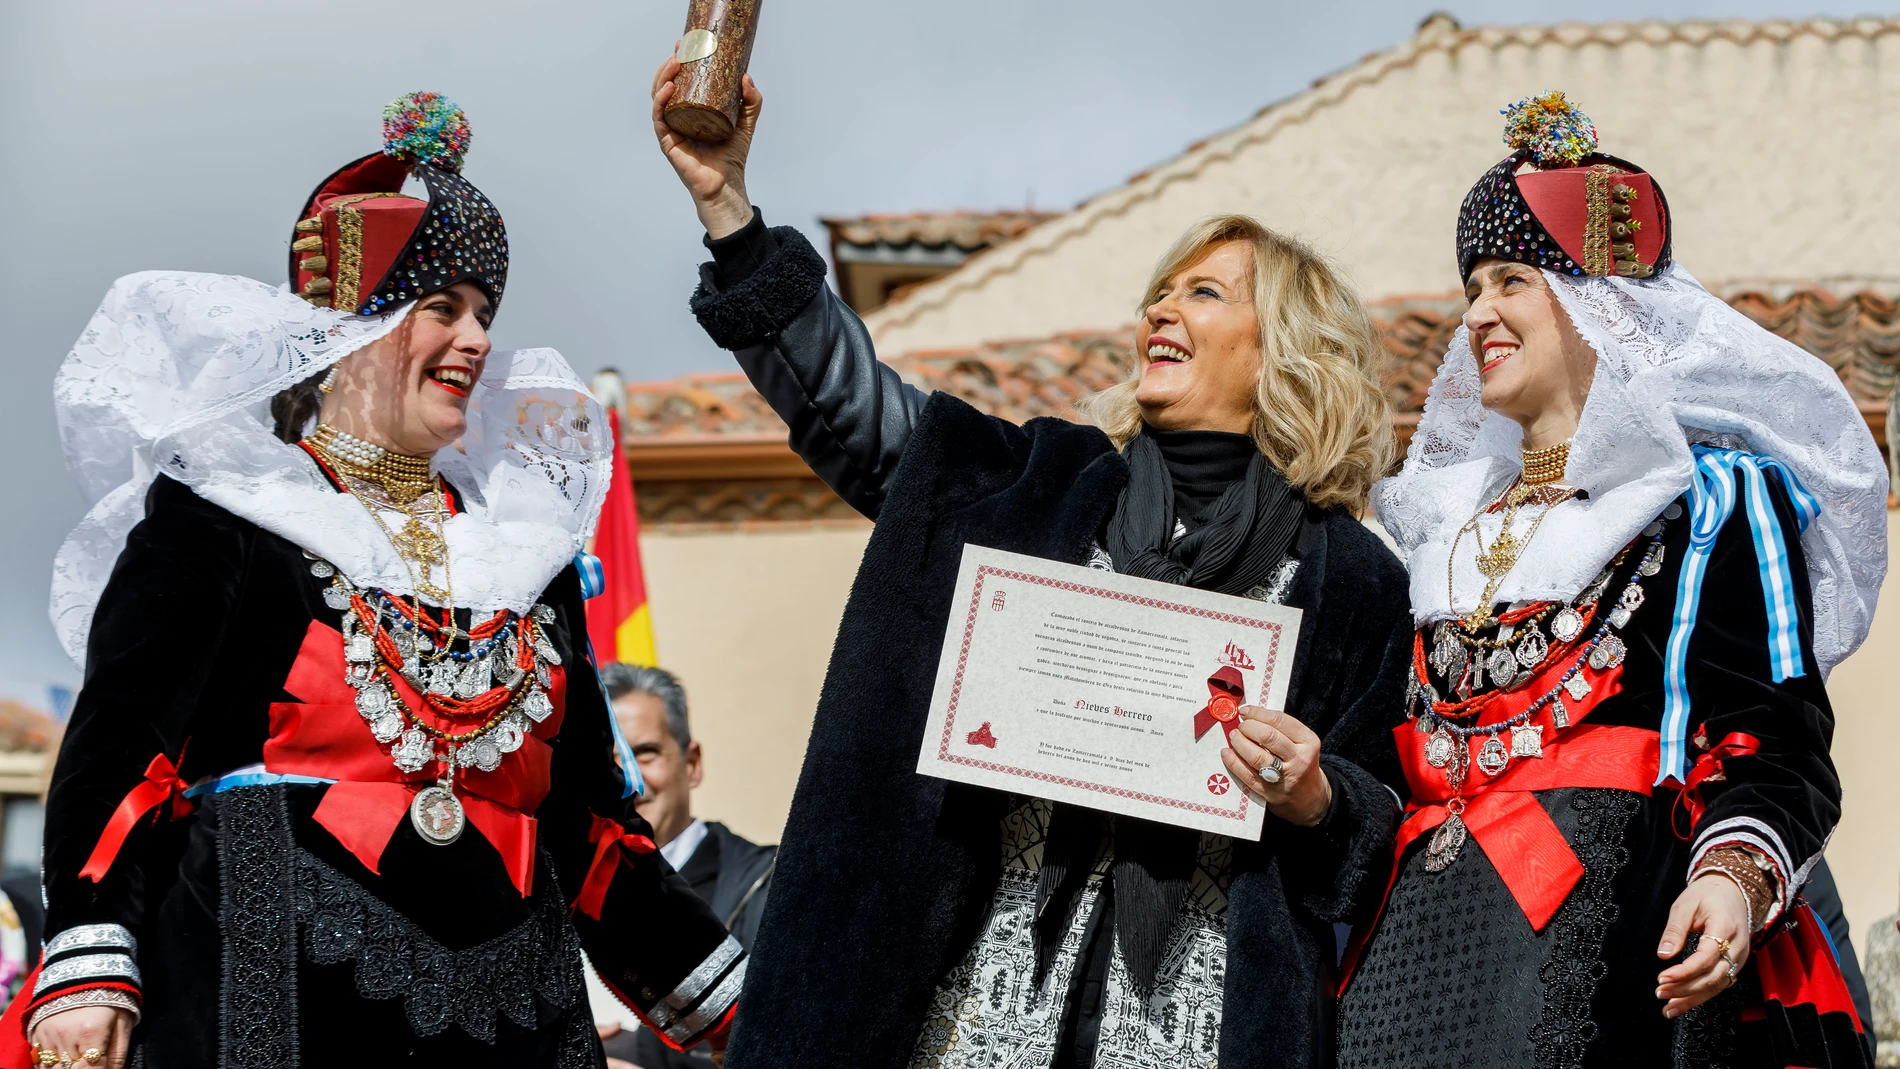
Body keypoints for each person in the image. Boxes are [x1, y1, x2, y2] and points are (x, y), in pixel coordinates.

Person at [652, 50, 1414, 1069]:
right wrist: (731, 214)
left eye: (1203, 293)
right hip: (976, 1018)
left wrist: (1318, 798)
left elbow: (1379, 841)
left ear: (1281, 349)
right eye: (1158, 292)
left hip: (1209, 1023)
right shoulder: (1035, 487)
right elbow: (857, 412)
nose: (1160, 312)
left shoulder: (1352, 576)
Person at [7, 94, 743, 1068]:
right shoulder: (226, 516)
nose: (477, 338)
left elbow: (588, 832)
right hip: (266, 1002)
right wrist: (92, 963)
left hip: (510, 1015)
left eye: (485, 312)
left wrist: (764, 1009)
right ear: (348, 330)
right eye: (441, 306)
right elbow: (118, 757)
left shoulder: (523, 559)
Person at [1341, 92, 1886, 1068]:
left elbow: (1773, 737)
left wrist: (1730, 878)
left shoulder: (1707, 500)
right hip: (1416, 971)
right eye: (1472, 285)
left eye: (1510, 279)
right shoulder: (1445, 534)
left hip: (1617, 958)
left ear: (1604, 303)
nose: (1477, 314)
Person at [597, 664, 776, 1069]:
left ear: (691, 762)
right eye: (606, 761)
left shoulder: (771, 890)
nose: (627, 778)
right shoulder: (550, 903)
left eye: (644, 752)